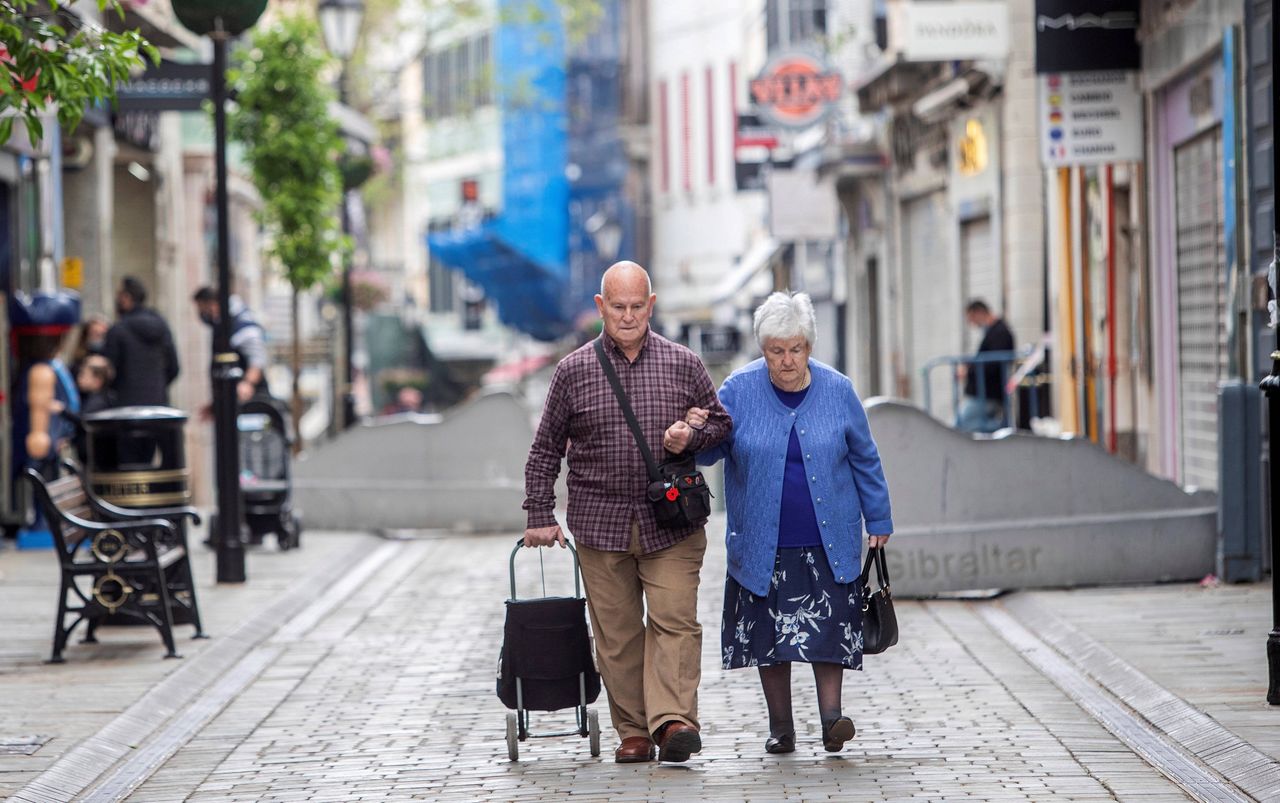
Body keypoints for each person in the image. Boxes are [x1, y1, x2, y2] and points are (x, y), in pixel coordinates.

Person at [522, 261, 732, 764]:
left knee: (675, 622)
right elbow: (545, 448)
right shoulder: (573, 371)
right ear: (601, 307)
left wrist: (693, 435)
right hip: (601, 524)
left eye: (638, 306)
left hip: (673, 525)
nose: (629, 315)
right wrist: (538, 512)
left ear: (652, 305)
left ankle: (672, 722)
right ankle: (634, 730)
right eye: (618, 306)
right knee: (617, 634)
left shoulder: (683, 363)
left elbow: (723, 425)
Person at [694, 291, 893, 755]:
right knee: (770, 638)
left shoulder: (838, 390)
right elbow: (708, 453)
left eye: (796, 349)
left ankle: (832, 719)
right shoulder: (738, 391)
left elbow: (866, 458)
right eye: (776, 350)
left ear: (810, 346)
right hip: (763, 541)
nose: (787, 360)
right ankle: (781, 727)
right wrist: (696, 430)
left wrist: (878, 516)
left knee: (827, 633)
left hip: (828, 538)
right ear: (763, 350)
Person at [102, 277, 180, 408]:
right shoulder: (162, 326)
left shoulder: (118, 330)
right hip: (158, 404)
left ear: (126, 298)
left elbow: (109, 371)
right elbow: (174, 367)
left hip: (126, 406)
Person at [192, 286, 272, 404]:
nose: (202, 314)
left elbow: (257, 362)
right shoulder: (222, 325)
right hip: (231, 401)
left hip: (249, 403)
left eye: (202, 309)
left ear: (213, 305)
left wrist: (247, 383)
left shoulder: (242, 326)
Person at [955, 299, 1015, 433]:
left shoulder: (1000, 333)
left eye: (971, 318)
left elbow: (992, 365)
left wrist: (969, 370)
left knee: (961, 426)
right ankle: (1003, 429)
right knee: (966, 426)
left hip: (986, 393)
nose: (972, 324)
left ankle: (1004, 429)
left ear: (979, 313)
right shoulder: (994, 332)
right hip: (983, 393)